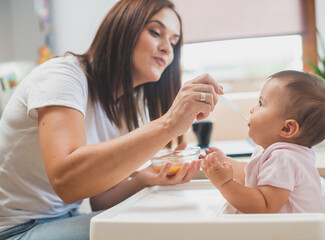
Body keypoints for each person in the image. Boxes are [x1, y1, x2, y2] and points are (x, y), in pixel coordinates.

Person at [0, 0, 223, 239]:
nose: (167, 48)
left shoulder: (125, 108)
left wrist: (144, 179)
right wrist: (168, 124)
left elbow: (99, 200)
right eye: (156, 32)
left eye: (174, 41)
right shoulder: (63, 75)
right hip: (18, 228)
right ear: (123, 28)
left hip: (66, 219)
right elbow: (67, 183)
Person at [202, 70, 325, 214]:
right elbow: (249, 173)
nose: (252, 109)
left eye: (261, 103)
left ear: (286, 128)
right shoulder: (272, 152)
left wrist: (224, 183)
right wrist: (224, 162)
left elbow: (264, 206)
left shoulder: (284, 158)